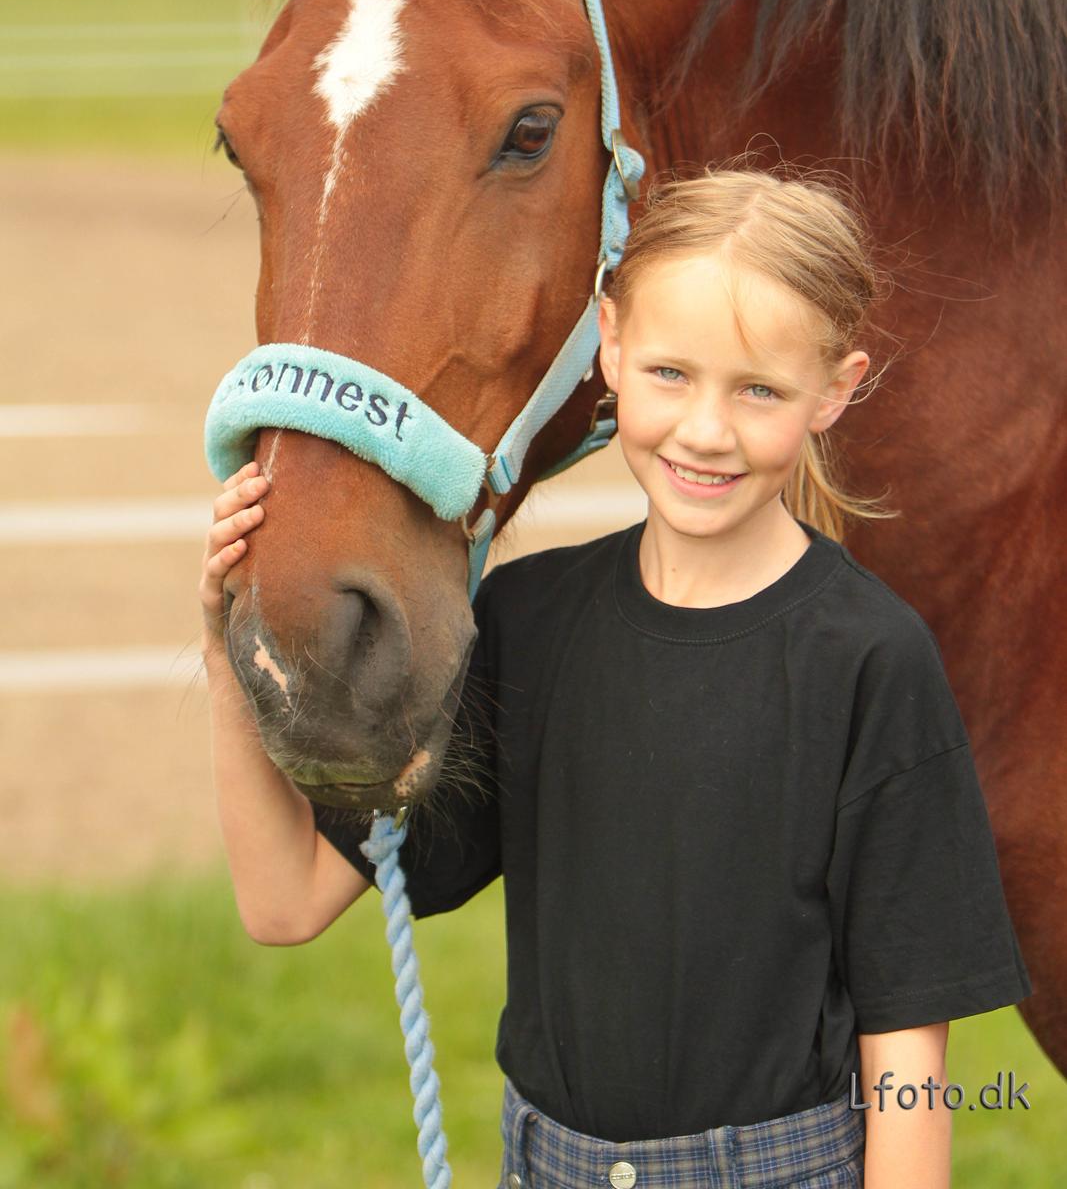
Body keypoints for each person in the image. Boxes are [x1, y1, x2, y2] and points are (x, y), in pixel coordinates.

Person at [200, 166, 1032, 1189]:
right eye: (670, 374)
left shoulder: (868, 660)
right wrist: (222, 648)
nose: (704, 430)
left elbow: (909, 1062)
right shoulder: (527, 625)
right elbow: (281, 902)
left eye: (757, 389)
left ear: (834, 388)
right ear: (610, 344)